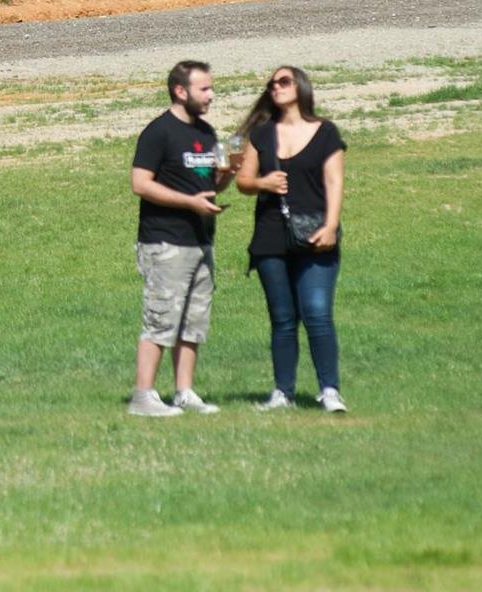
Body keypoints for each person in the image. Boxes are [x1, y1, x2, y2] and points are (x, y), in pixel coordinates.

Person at [230, 66, 348, 413]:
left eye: (284, 81)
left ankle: (329, 390)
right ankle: (283, 393)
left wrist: (331, 225)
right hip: (270, 237)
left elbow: (334, 182)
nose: (276, 87)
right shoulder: (263, 135)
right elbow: (243, 182)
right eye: (272, 83)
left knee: (317, 313)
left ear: (301, 87)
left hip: (316, 235)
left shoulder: (326, 132)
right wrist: (263, 184)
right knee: (282, 319)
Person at [127, 59, 234, 417]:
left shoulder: (206, 132)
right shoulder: (159, 132)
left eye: (211, 88)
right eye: (204, 89)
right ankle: (143, 396)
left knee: (193, 320)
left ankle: (184, 392)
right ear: (180, 90)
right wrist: (190, 202)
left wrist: (228, 174)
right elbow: (140, 184)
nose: (211, 95)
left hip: (201, 241)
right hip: (165, 241)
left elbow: (210, 184)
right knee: (161, 318)